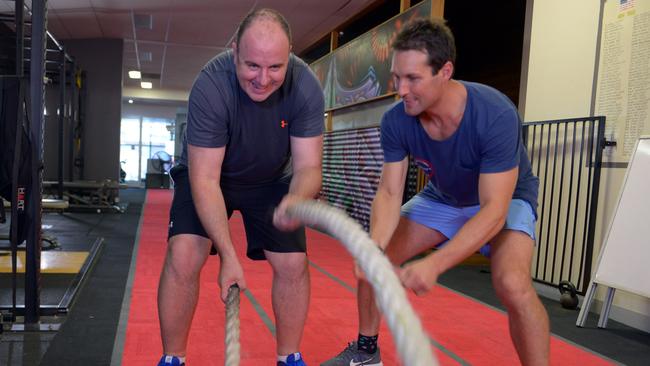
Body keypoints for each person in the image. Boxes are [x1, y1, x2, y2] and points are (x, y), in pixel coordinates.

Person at [323, 18, 549, 366]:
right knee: (374, 259)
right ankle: (367, 353)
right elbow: (388, 191)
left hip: (503, 199)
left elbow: (493, 211)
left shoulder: (495, 114)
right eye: (397, 77)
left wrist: (435, 264)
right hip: (444, 197)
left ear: (445, 71)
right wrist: (377, 247)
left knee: (513, 284)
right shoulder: (397, 121)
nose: (401, 90)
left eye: (413, 79)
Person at [157, 8, 324, 366]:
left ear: (290, 54)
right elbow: (204, 179)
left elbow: (309, 167)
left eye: (275, 67)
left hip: (272, 179)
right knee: (184, 254)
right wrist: (228, 255)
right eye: (252, 66)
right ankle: (173, 359)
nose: (263, 79)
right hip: (209, 175)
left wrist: (295, 200)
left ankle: (289, 358)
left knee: (294, 262)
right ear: (234, 51)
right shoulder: (211, 85)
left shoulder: (306, 85)